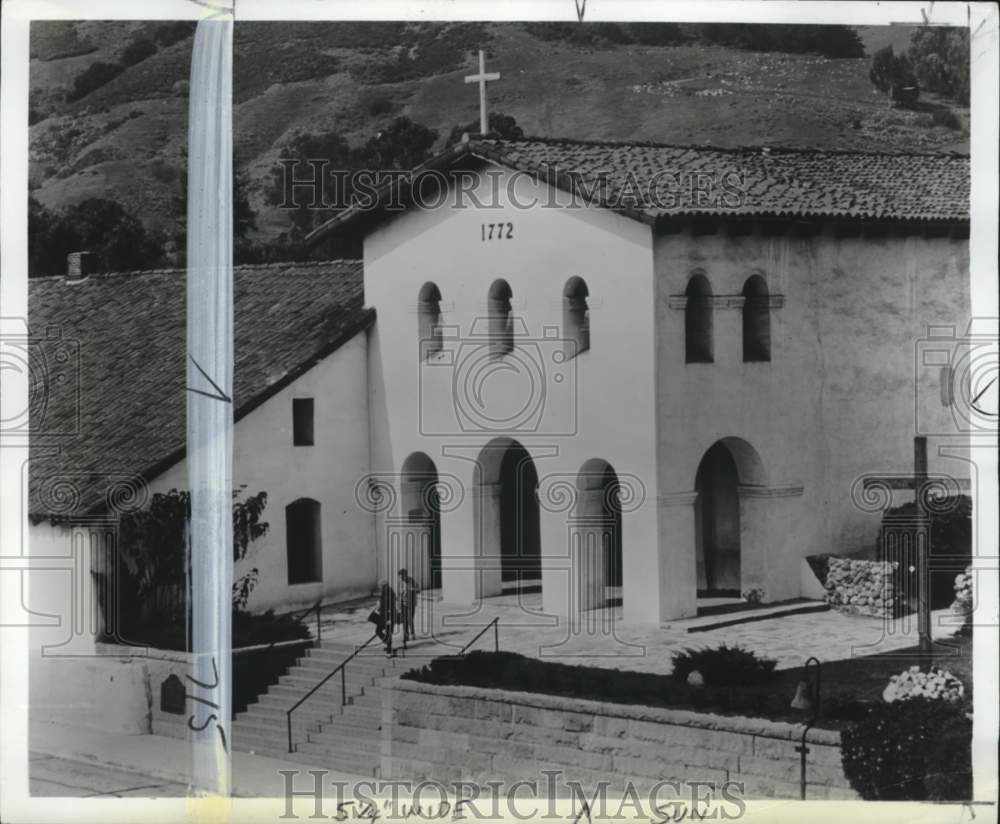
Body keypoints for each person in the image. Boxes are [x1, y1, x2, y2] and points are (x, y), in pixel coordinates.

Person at [397, 568, 420, 647]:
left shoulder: (411, 580)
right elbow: (399, 594)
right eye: (400, 577)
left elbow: (418, 589)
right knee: (404, 620)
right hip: (403, 603)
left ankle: (412, 634)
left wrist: (412, 589)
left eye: (402, 577)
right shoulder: (400, 583)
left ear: (405, 575)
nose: (401, 578)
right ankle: (406, 636)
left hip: (411, 603)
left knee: (410, 619)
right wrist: (398, 604)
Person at [377, 578, 397, 656]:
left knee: (388, 633)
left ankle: (389, 651)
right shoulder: (384, 592)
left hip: (389, 616)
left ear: (385, 586)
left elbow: (391, 606)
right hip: (383, 615)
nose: (380, 588)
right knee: (378, 630)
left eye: (381, 586)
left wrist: (390, 619)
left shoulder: (390, 593)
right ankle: (387, 643)